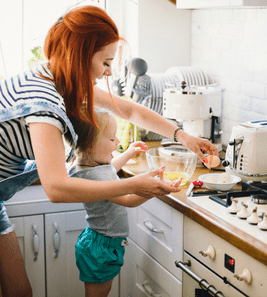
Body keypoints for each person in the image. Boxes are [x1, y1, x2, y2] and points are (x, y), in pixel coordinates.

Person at [0, 5, 218, 297]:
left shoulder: (59, 78)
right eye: (105, 62)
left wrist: (184, 136)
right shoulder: (44, 103)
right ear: (81, 56)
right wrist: (137, 184)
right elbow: (57, 188)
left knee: (20, 292)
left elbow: (128, 109)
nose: (108, 71)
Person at [68, 107, 182, 297]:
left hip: (101, 243)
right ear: (89, 145)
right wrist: (154, 189)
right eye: (112, 139)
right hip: (101, 247)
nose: (117, 142)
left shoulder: (92, 167)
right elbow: (128, 200)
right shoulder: (93, 176)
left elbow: (110, 170)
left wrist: (129, 153)